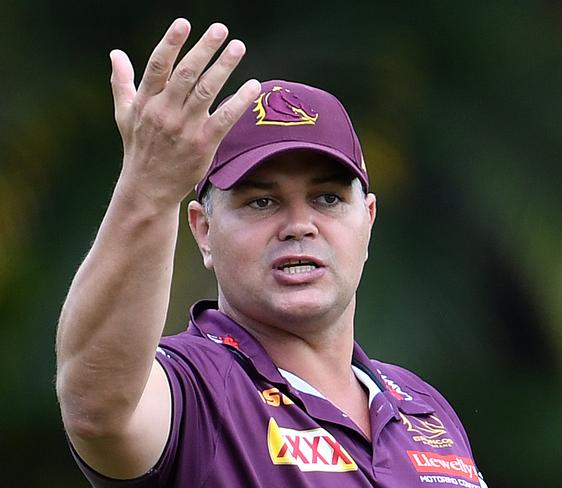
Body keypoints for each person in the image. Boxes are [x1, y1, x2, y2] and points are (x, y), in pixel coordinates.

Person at [56, 18, 488, 487]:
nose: (299, 225)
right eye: (261, 202)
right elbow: (98, 411)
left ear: (368, 220)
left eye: (327, 199)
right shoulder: (197, 390)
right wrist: (149, 187)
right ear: (203, 231)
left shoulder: (423, 409)